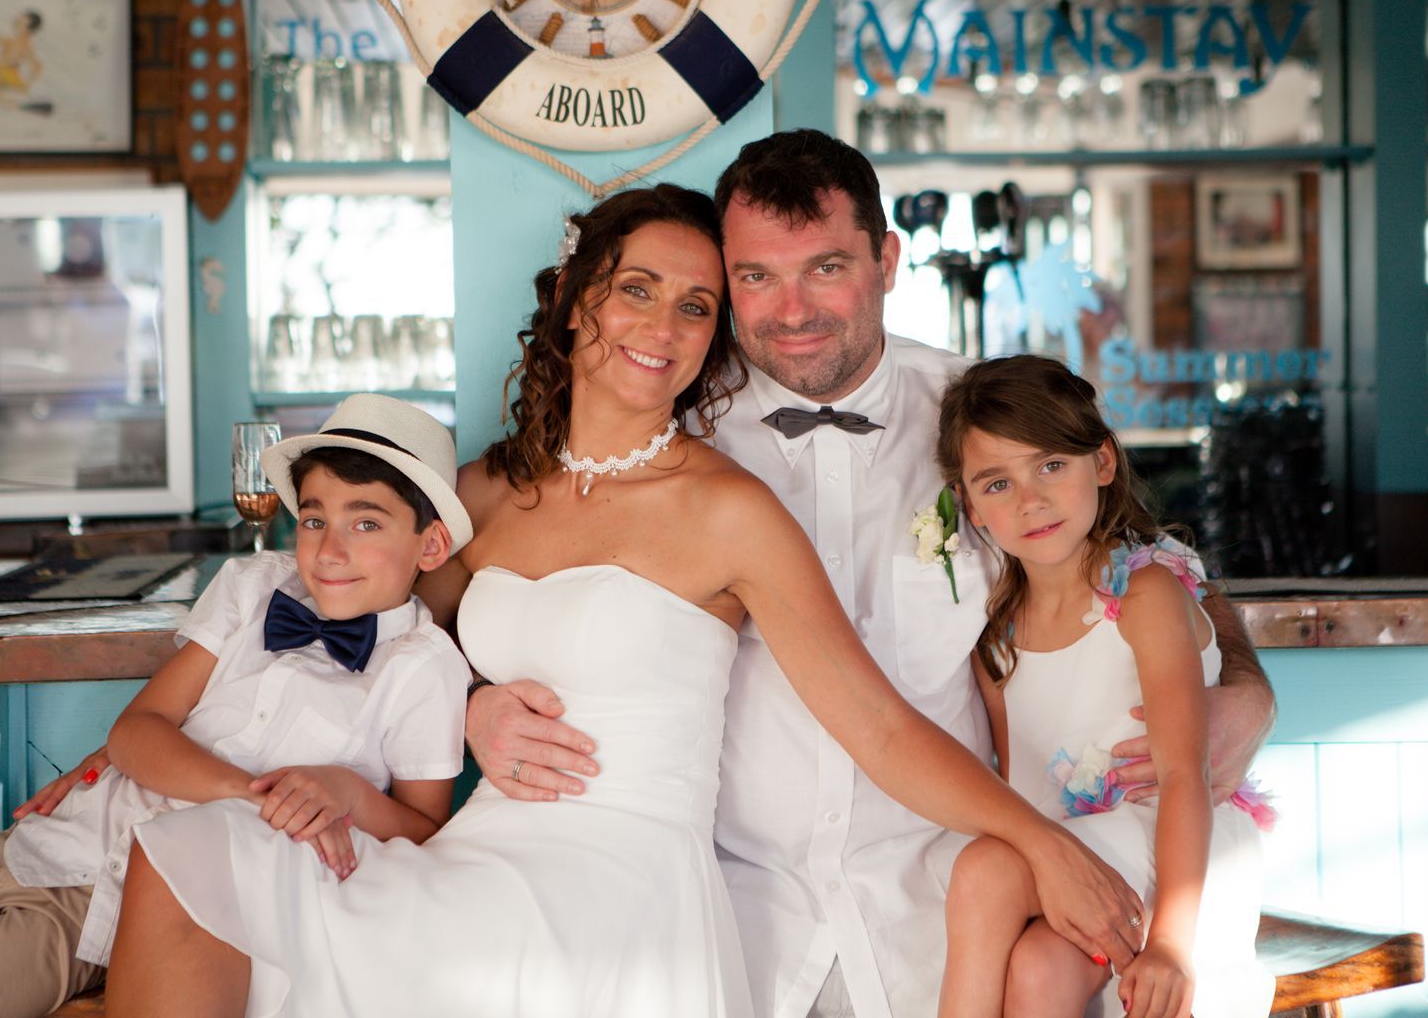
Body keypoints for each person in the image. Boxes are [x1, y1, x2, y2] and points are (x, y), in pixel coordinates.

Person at [105, 184, 1143, 1018]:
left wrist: (1048, 843)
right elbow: (343, 615)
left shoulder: (727, 506)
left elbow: (872, 721)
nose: (664, 325)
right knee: (197, 850)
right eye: (636, 289)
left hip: (625, 875)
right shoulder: (479, 496)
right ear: (573, 299)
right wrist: (468, 701)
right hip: (486, 852)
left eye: (695, 304)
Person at [465, 128, 1277, 1018]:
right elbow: (538, 600)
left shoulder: (987, 416)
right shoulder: (665, 418)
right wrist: (469, 702)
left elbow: (1136, 561)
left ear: (887, 259)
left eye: (826, 267)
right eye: (755, 277)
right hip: (738, 917)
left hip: (950, 913)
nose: (791, 309)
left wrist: (1242, 687)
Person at [0, 394, 471, 1018]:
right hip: (43, 839)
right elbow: (135, 732)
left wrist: (340, 794)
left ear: (431, 544)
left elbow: (423, 827)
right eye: (315, 519)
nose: (331, 548)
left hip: (96, 912)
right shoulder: (256, 587)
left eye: (367, 523)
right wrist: (249, 793)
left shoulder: (421, 667)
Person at [934, 355, 1273, 1018]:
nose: (1031, 500)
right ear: (970, 507)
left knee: (984, 873)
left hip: (1180, 853)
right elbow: (1021, 789)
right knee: (1036, 969)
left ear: (1104, 463)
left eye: (1051, 466)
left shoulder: (1144, 595)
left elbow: (1184, 777)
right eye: (997, 484)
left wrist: (1171, 945)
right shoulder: (993, 638)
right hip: (1087, 859)